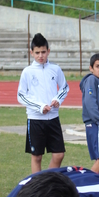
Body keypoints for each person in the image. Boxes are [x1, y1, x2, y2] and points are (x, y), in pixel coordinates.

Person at [17, 33, 69, 174]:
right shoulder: (27, 72)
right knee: (37, 156)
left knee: (59, 154)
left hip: (53, 118)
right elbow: (21, 95)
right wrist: (39, 107)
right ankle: (37, 188)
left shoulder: (55, 69)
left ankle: (47, 181)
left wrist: (58, 99)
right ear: (32, 53)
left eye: (43, 52)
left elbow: (64, 87)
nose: (41, 55)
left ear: (48, 51)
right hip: (35, 119)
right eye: (37, 52)